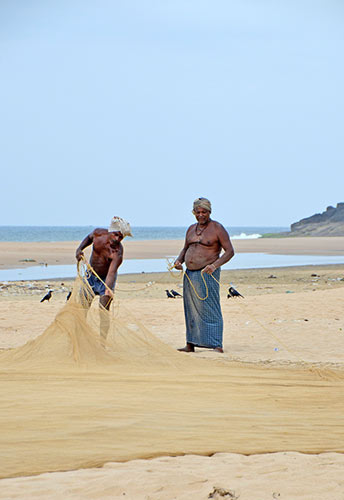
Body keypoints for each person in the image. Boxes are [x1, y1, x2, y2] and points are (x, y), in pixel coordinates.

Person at [174, 198, 234, 353]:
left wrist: (214, 266)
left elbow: (230, 252)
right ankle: (190, 343)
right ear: (194, 213)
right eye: (198, 212)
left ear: (209, 212)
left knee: (210, 307)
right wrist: (179, 261)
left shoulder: (217, 228)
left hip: (208, 273)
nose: (201, 215)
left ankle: (216, 344)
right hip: (189, 274)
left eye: (204, 212)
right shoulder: (191, 229)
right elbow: (185, 248)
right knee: (190, 308)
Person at [75, 216, 132, 342]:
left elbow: (112, 272)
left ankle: (102, 342)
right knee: (83, 307)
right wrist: (79, 249)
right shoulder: (98, 234)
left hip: (106, 279)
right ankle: (79, 339)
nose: (117, 239)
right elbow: (88, 238)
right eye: (116, 235)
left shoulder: (117, 252)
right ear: (110, 231)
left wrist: (107, 288)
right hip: (90, 276)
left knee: (103, 311)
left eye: (121, 237)